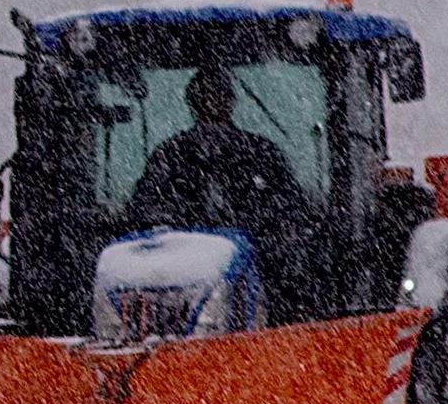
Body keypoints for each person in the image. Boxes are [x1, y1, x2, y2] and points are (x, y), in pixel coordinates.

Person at [118, 66, 322, 321]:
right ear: (192, 103)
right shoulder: (169, 157)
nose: (212, 103)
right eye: (204, 96)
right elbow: (144, 212)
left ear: (231, 101)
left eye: (219, 95)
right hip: (181, 283)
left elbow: (290, 212)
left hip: (262, 280)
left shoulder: (262, 155)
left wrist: (261, 235)